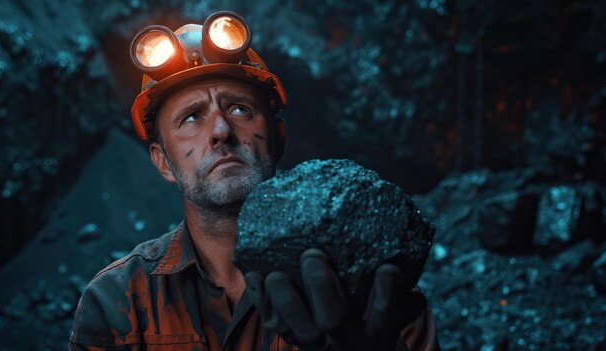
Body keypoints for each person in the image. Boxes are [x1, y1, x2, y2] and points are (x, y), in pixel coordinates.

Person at [69, 11, 440, 351]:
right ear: (163, 162)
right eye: (192, 118)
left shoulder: (373, 289)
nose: (221, 131)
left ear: (278, 137)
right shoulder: (120, 301)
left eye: (239, 109)